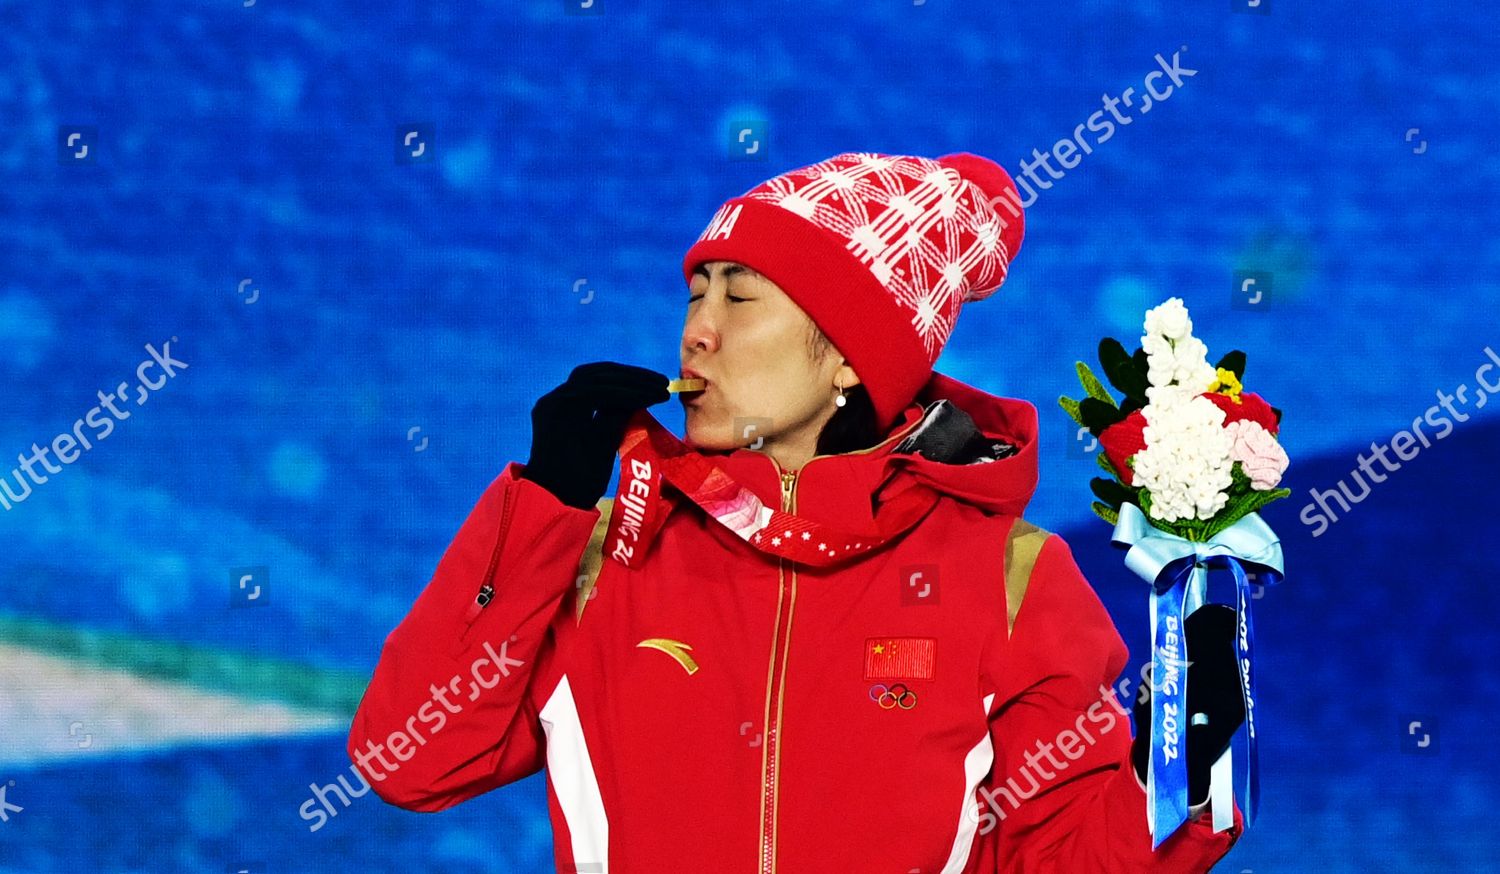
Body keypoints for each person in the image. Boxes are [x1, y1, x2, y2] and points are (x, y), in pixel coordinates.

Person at [347, 151, 1247, 872]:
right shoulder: (602, 549)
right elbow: (410, 759)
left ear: (851, 359)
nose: (698, 330)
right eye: (696, 295)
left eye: (740, 297)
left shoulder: (1009, 576)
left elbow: (1062, 857)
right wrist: (543, 505)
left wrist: (1178, 775)